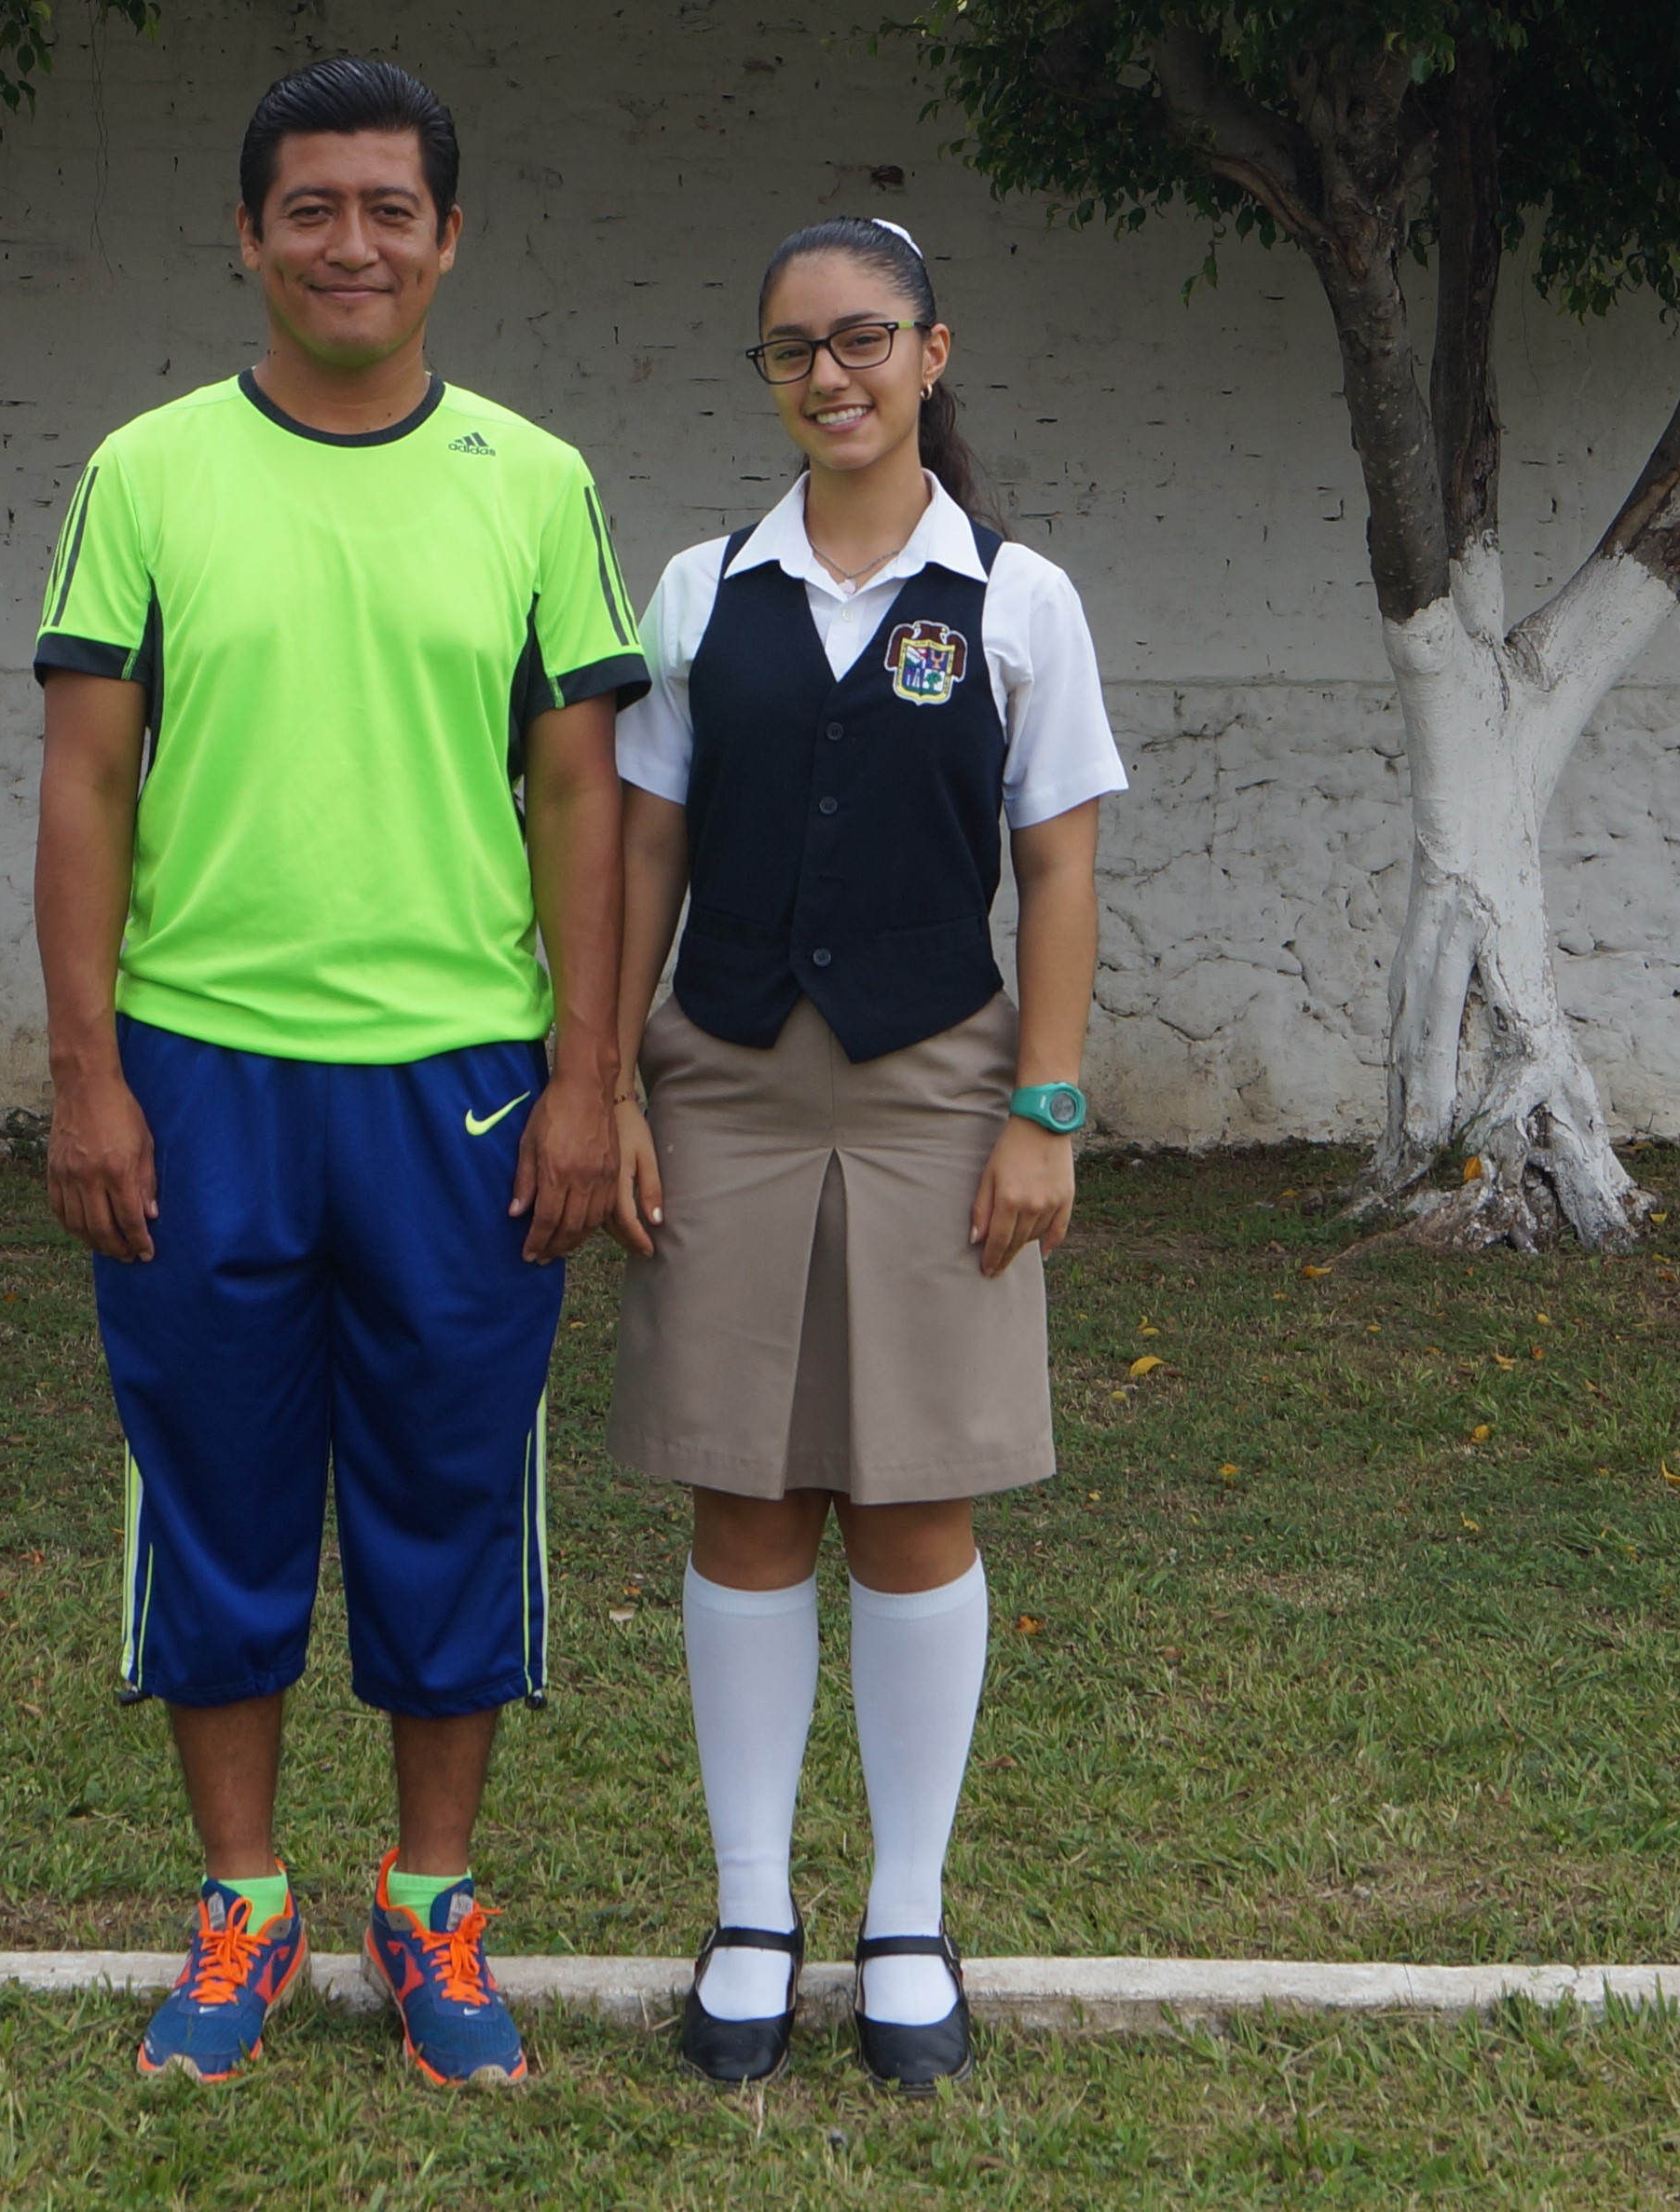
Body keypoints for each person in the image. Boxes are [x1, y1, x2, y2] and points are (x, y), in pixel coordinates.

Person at [29, 58, 643, 2087]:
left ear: (447, 238)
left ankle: (432, 1902)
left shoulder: (532, 482)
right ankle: (242, 1908)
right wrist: (86, 1069)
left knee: (445, 1493)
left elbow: (580, 793)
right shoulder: (145, 472)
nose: (350, 241)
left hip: (457, 1086)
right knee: (212, 1493)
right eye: (311, 207)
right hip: (200, 1076)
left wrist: (587, 1074)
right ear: (246, 233)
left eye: (390, 208)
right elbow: (86, 778)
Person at [605, 215, 1123, 2091]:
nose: (827, 373)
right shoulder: (695, 589)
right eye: (790, 349)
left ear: (930, 353)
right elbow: (641, 850)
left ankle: (904, 1910)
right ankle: (753, 1909)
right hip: (723, 1080)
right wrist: (602, 1082)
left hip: (930, 1086)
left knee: (913, 1495)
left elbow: (1057, 862)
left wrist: (1042, 1107)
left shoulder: (1012, 596)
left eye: (862, 338)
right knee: (740, 1489)